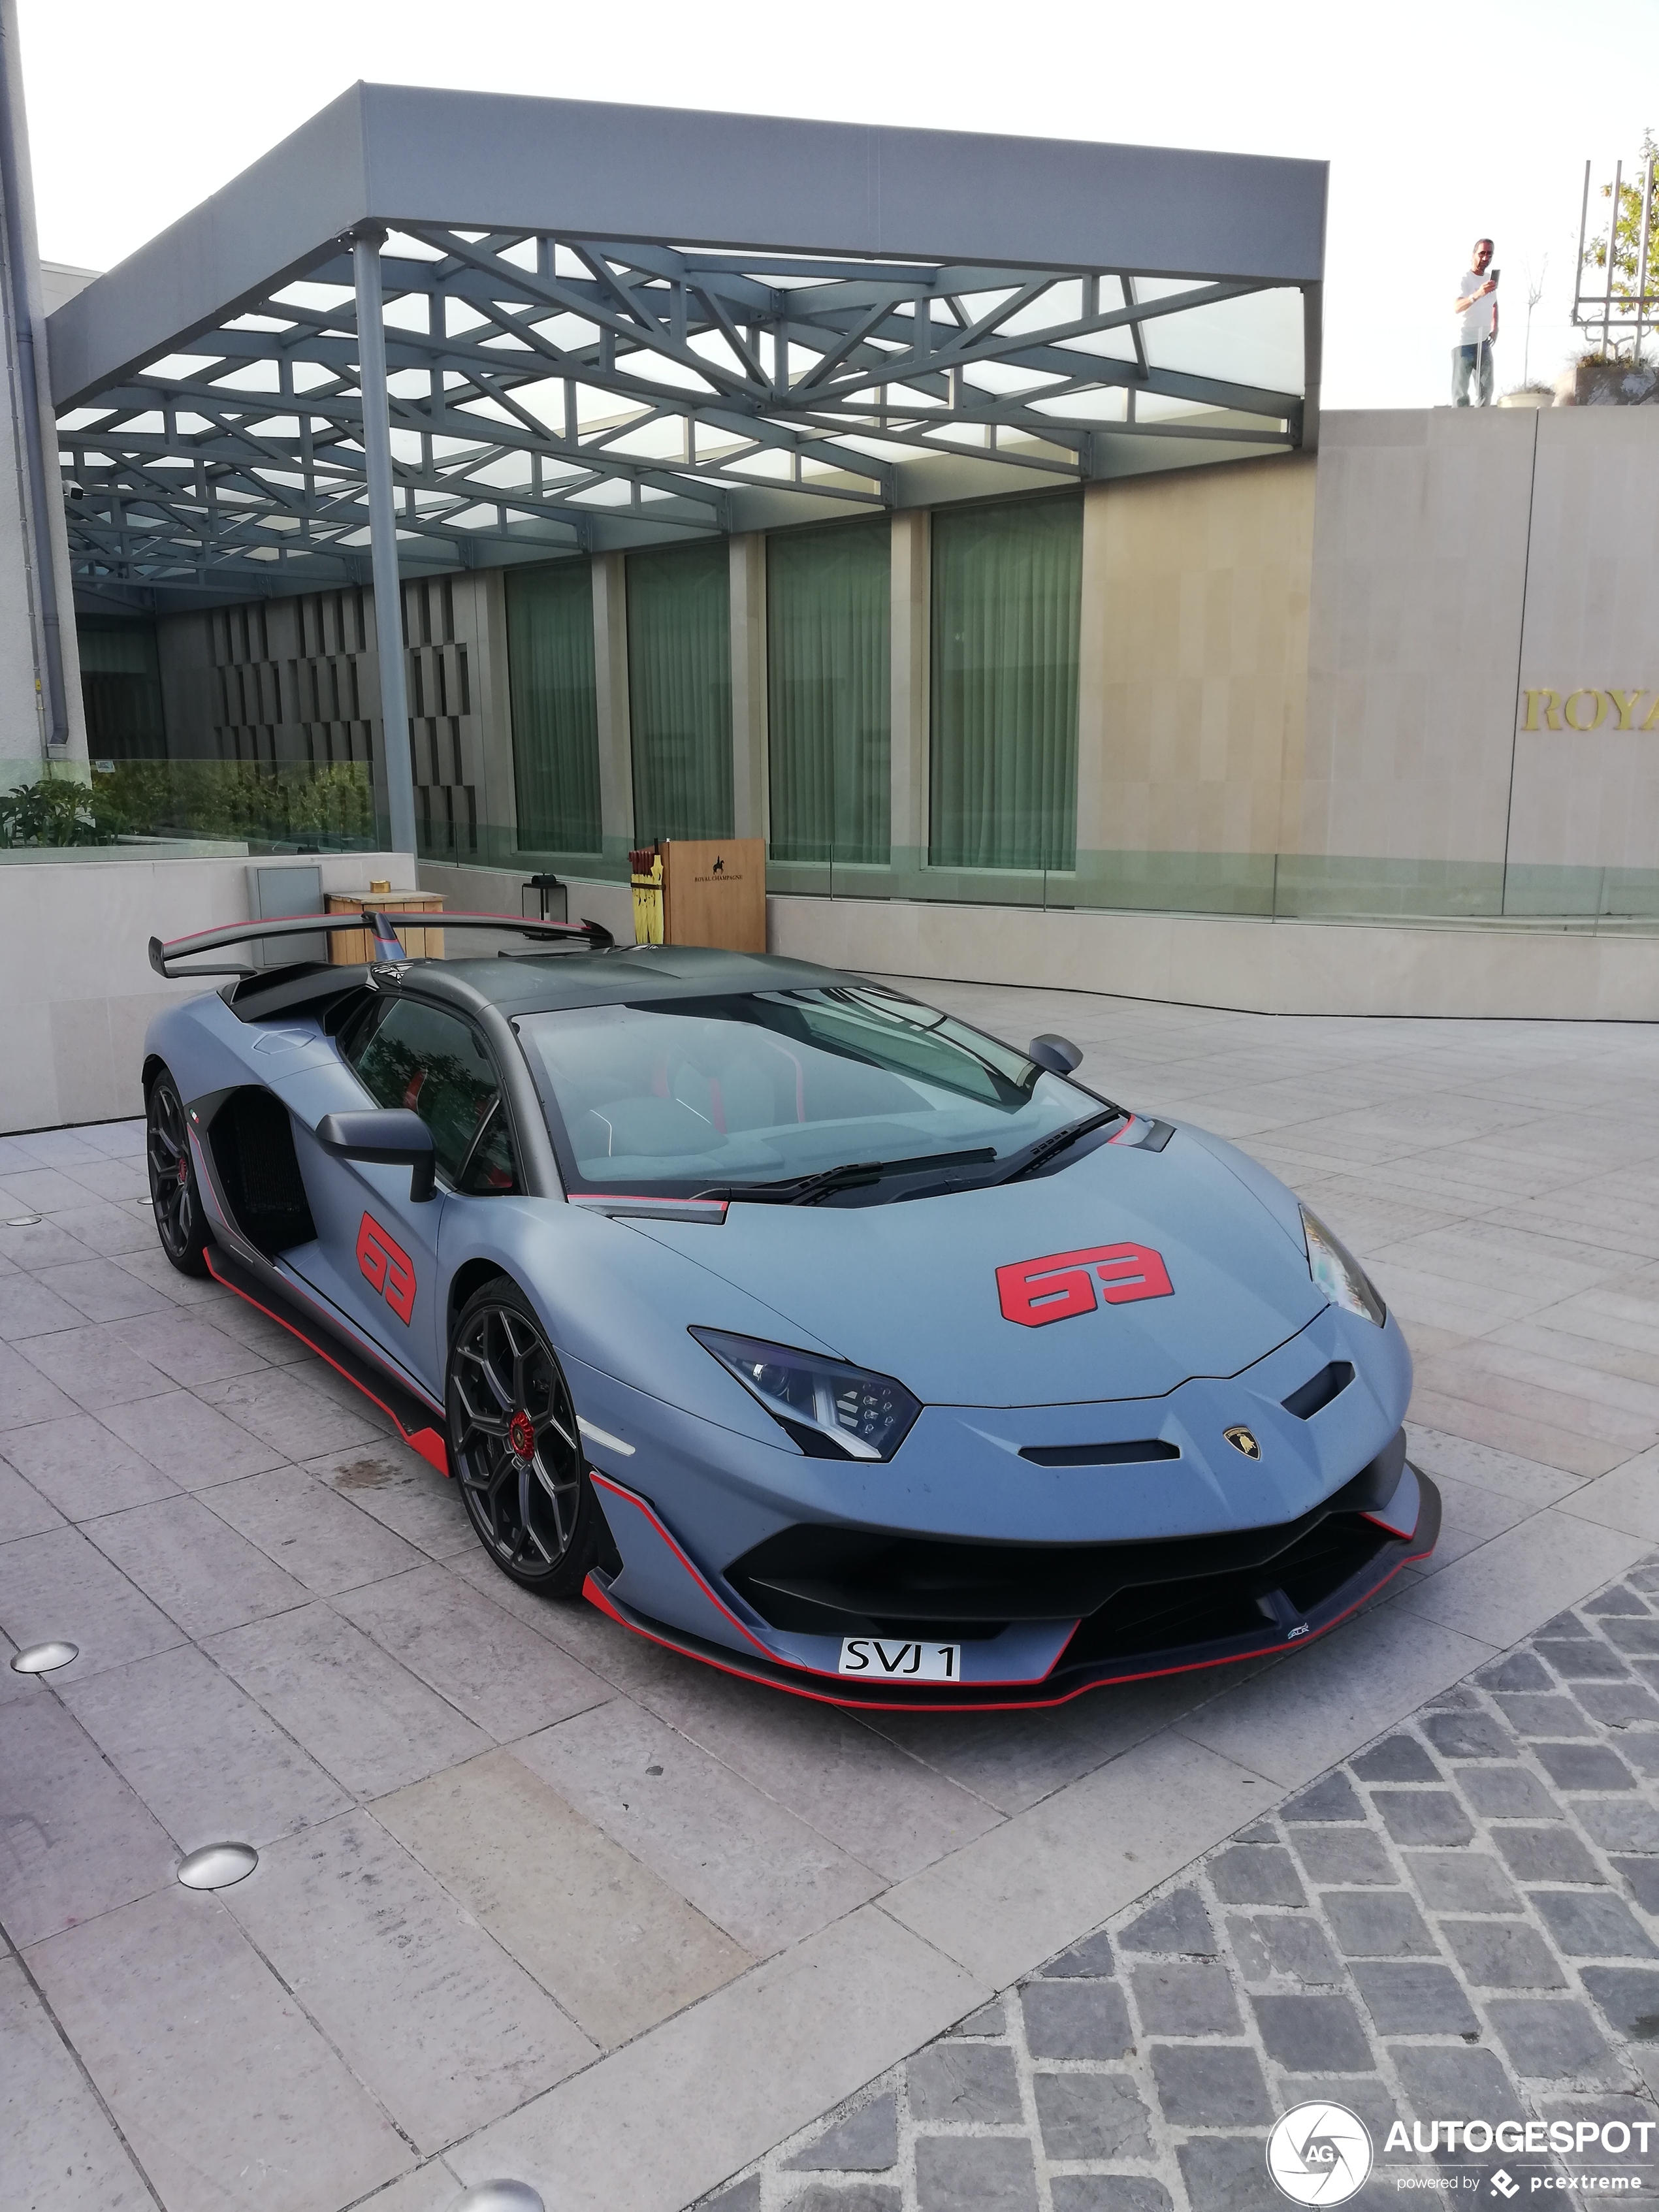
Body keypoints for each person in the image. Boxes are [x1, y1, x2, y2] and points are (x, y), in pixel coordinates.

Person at [1453, 240, 1498, 406]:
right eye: (1482, 253)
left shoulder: (1489, 279)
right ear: (1473, 255)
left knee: (1486, 389)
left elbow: (1494, 304)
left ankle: (1481, 425)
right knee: (1461, 393)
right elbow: (1457, 307)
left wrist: (1495, 327)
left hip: (1483, 341)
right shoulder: (1464, 279)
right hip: (1464, 343)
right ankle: (1460, 425)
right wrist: (1478, 294)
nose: (1486, 258)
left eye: (1489, 254)